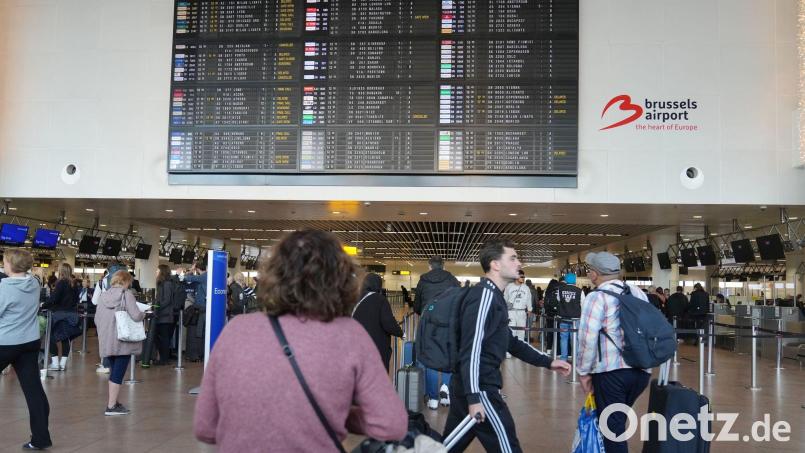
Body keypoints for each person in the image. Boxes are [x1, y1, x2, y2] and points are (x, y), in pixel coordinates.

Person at [194, 230, 407, 451]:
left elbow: (205, 427)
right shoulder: (350, 335)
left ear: (273, 275)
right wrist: (337, 412)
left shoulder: (236, 330)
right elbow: (391, 424)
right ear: (341, 280)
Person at [441, 239, 571, 453]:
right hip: (480, 389)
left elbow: (509, 341)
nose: (518, 262)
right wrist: (474, 397)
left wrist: (548, 362)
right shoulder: (484, 296)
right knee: (507, 446)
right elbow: (471, 350)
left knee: (446, 447)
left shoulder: (494, 297)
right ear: (495, 264)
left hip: (471, 387)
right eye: (513, 258)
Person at [576, 252, 652, 453]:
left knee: (612, 429)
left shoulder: (596, 297)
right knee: (616, 422)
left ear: (594, 274)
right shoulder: (638, 293)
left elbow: (587, 338)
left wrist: (583, 372)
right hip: (642, 371)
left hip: (612, 372)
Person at [0, 249, 53, 450]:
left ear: (11, 265)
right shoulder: (33, 283)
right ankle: (41, 439)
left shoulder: (5, 289)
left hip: (5, 343)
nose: (3, 264)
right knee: (34, 391)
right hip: (29, 342)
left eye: (4, 261)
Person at [95, 270, 146, 416]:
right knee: (118, 373)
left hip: (107, 340)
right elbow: (136, 315)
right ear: (126, 281)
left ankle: (114, 402)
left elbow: (97, 319)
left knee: (114, 371)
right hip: (122, 340)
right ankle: (111, 406)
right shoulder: (126, 294)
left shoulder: (103, 296)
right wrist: (144, 314)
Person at [414, 256, 460, 410]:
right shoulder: (452, 279)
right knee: (448, 355)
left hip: (428, 321)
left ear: (430, 266)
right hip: (448, 321)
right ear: (443, 266)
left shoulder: (423, 280)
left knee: (429, 358)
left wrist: (422, 311)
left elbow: (417, 303)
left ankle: (433, 398)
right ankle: (446, 391)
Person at [352, 273, 403, 371]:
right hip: (376, 346)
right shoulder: (380, 300)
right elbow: (388, 323)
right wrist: (400, 333)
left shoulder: (355, 298)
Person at [41, 263, 80, 372]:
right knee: (65, 338)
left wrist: (43, 305)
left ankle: (55, 363)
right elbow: (77, 300)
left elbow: (54, 299)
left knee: (51, 337)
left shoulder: (61, 283)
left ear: (61, 271)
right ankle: (62, 364)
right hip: (71, 315)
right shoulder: (74, 284)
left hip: (59, 315)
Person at [181, 261, 207, 361]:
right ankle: (200, 354)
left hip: (202, 308)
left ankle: (199, 354)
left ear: (197, 268)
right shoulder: (204, 277)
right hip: (201, 308)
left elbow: (188, 278)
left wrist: (191, 271)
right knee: (200, 331)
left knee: (200, 331)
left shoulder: (204, 276)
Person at [152, 264, 178, 365]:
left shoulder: (167, 284)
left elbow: (167, 300)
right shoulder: (162, 283)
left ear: (162, 272)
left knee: (164, 338)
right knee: (160, 337)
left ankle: (164, 359)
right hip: (162, 315)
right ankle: (162, 358)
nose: (156, 272)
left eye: (157, 270)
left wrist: (157, 307)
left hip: (165, 315)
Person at [556, 273, 582, 362]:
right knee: (575, 339)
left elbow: (559, 301)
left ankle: (564, 358)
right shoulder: (579, 291)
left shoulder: (560, 290)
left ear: (566, 280)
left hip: (563, 318)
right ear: (575, 280)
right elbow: (583, 304)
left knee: (563, 338)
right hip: (576, 319)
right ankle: (575, 358)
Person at [504, 270, 530, 350]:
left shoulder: (526, 288)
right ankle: (509, 350)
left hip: (522, 311)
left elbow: (529, 299)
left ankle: (519, 350)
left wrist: (530, 309)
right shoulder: (509, 286)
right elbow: (505, 298)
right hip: (511, 312)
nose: (523, 278)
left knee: (521, 332)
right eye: (521, 277)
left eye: (524, 277)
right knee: (511, 331)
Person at [542, 278, 560, 353]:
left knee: (550, 332)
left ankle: (549, 349)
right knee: (558, 333)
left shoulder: (547, 291)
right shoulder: (559, 291)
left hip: (549, 315)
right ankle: (558, 351)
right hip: (558, 315)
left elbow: (545, 303)